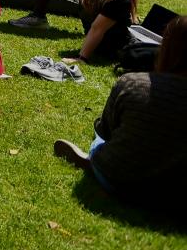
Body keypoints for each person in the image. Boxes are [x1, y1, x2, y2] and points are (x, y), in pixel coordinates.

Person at [53, 15, 187, 205]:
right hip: (175, 195)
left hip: (118, 178)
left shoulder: (133, 82)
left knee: (99, 139)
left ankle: (92, 160)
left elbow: (105, 130)